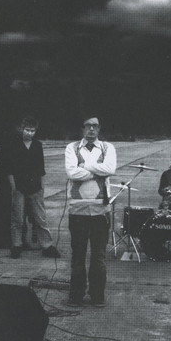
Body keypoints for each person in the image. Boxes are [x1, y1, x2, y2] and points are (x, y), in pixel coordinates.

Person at [64, 116, 116, 307]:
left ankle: (97, 296)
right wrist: (98, 171)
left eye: (95, 126)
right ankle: (76, 295)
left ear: (99, 129)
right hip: (77, 211)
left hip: (100, 211)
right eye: (88, 126)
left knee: (98, 256)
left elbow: (110, 168)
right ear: (82, 128)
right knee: (78, 256)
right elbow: (71, 173)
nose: (91, 129)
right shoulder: (72, 148)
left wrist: (84, 166)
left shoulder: (108, 148)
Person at [2, 116, 60, 259]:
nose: (30, 133)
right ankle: (16, 245)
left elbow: (41, 169)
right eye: (27, 130)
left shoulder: (37, 145)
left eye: (32, 131)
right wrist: (14, 187)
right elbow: (9, 168)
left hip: (35, 187)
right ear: (21, 129)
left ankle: (47, 245)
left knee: (40, 218)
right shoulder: (13, 145)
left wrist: (42, 188)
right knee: (18, 218)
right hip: (19, 187)